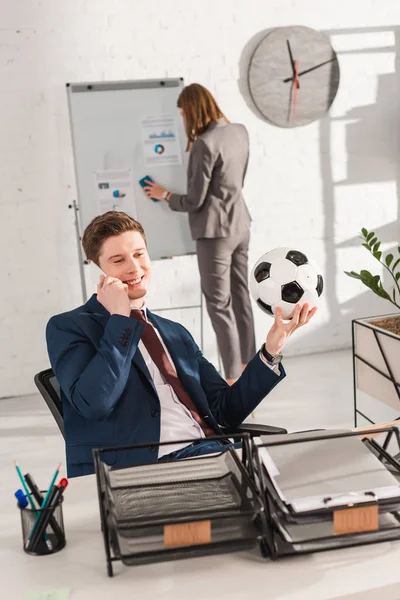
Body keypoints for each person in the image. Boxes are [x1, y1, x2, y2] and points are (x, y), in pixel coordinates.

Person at [46, 211, 317, 478]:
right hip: (153, 470)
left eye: (139, 254)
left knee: (318, 447)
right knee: (300, 472)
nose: (134, 268)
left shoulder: (172, 332)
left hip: (213, 455)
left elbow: (226, 410)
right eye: (118, 260)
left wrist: (270, 351)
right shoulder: (69, 327)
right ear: (98, 267)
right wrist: (119, 319)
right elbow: (95, 403)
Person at [143, 83, 255, 385]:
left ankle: (232, 378)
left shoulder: (204, 144)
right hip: (241, 225)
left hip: (215, 233)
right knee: (241, 297)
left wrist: (165, 195)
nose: (183, 120)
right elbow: (238, 180)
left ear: (191, 110)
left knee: (219, 305)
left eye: (182, 113)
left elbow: (194, 200)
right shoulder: (239, 131)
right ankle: (251, 368)